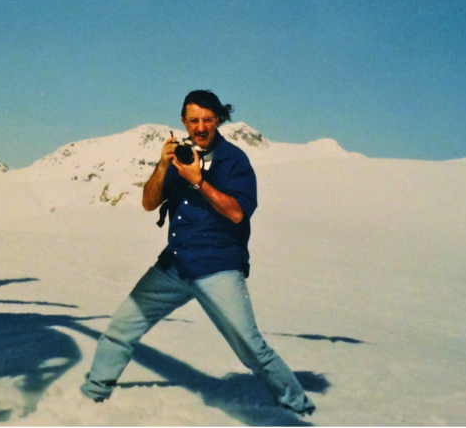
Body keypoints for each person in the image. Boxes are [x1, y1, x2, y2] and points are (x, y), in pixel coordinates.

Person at [80, 90, 315, 416]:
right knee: (121, 328)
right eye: (194, 120)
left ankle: (298, 406)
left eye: (207, 119)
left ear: (218, 119)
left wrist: (199, 181)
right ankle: (92, 396)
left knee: (250, 347)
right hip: (175, 263)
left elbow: (236, 213)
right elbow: (149, 203)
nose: (201, 127)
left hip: (218, 266)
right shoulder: (180, 157)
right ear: (183, 122)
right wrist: (164, 164)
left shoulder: (235, 160)